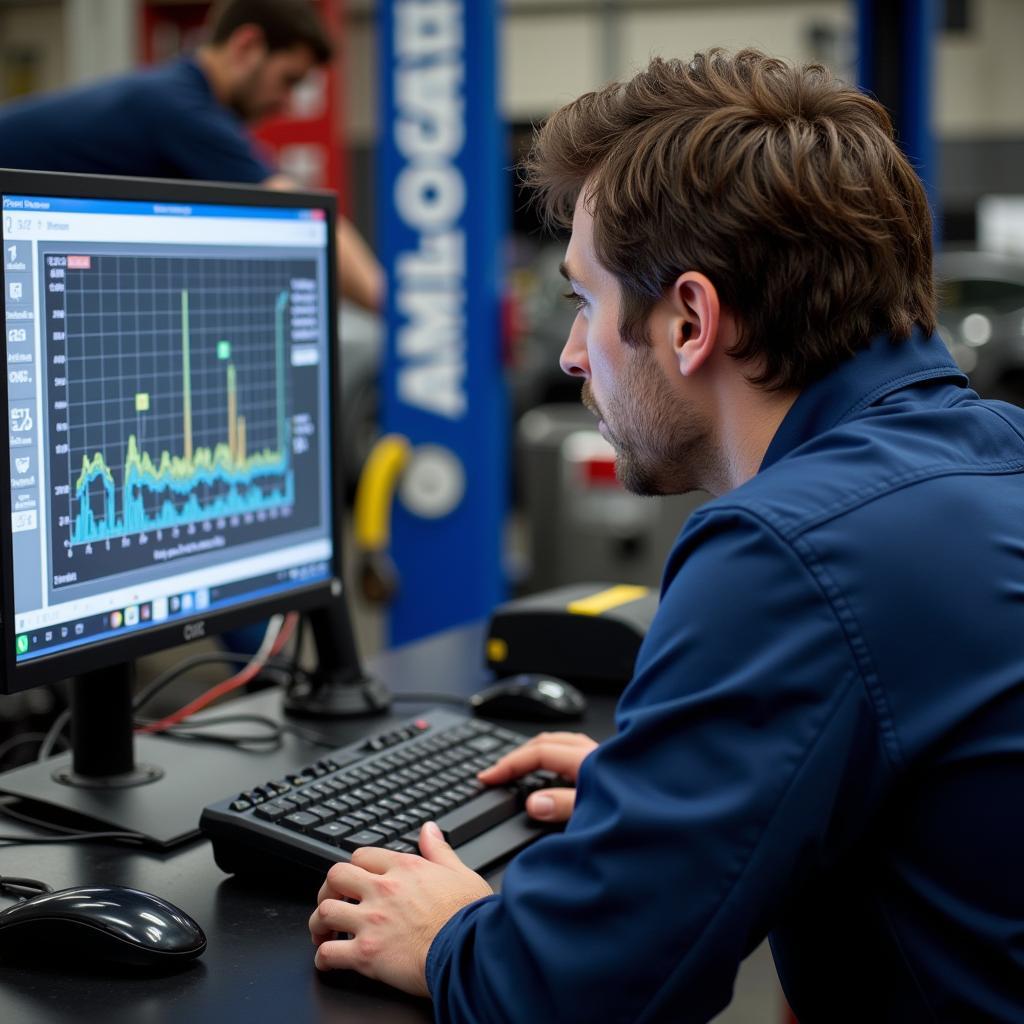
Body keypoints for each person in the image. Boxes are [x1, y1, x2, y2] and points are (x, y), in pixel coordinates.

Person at [308, 50, 1024, 1023]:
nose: (569, 354)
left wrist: (450, 938)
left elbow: (570, 995)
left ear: (689, 318)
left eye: (584, 301)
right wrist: (660, 790)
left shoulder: (790, 553)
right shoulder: (997, 454)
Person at [0, 0, 382, 311]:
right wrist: (391, 306)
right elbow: (303, 214)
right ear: (247, 46)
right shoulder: (180, 108)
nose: (286, 103)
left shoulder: (179, 98)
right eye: (288, 80)